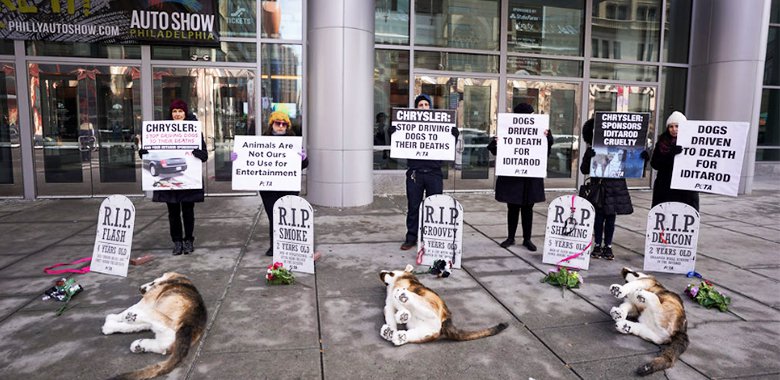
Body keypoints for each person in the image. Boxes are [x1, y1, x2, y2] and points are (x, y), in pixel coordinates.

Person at [139, 99, 209, 255]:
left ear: (186, 113)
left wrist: (198, 153)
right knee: (173, 213)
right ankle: (177, 241)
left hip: (188, 180)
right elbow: (152, 150)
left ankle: (189, 240)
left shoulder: (194, 131)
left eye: (180, 111)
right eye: (174, 111)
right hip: (170, 183)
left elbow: (204, 156)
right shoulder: (161, 131)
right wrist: (143, 153)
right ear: (171, 114)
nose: (177, 114)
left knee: (188, 212)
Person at [390, 94, 459, 250]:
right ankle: (411, 237)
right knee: (413, 206)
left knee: (433, 207)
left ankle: (430, 238)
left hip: (434, 173)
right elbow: (401, 144)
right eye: (420, 105)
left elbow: (446, 147)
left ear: (430, 107)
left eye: (426, 105)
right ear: (416, 108)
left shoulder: (440, 125)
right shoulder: (409, 124)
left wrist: (453, 136)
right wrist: (393, 134)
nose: (423, 107)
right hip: (415, 173)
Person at [486, 103, 553, 251]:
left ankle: (527, 239)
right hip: (513, 177)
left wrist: (547, 138)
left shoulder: (540, 130)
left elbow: (546, 150)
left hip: (531, 177)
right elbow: (494, 149)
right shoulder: (508, 129)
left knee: (528, 208)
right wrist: (497, 141)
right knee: (513, 208)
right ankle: (511, 237)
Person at [580, 118, 641, 260]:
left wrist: (642, 157)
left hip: (615, 189)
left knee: (610, 220)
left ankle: (608, 245)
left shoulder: (621, 150)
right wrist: (588, 158)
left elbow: (632, 165)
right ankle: (597, 244)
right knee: (598, 219)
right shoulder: (593, 149)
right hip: (599, 189)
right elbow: (584, 170)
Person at [258, 111, 309, 256]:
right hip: (269, 187)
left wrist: (303, 158)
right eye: (277, 123)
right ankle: (274, 245)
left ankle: (287, 246)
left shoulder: (294, 142)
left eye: (283, 124)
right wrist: (239, 159)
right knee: (273, 216)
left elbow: (303, 165)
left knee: (286, 216)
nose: (280, 126)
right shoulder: (262, 142)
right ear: (271, 125)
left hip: (288, 185)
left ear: (287, 126)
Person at [651, 111, 700, 211]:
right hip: (665, 186)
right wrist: (671, 155)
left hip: (685, 188)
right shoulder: (662, 142)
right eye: (671, 126)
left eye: (677, 126)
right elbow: (655, 164)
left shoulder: (693, 142)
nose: (674, 129)